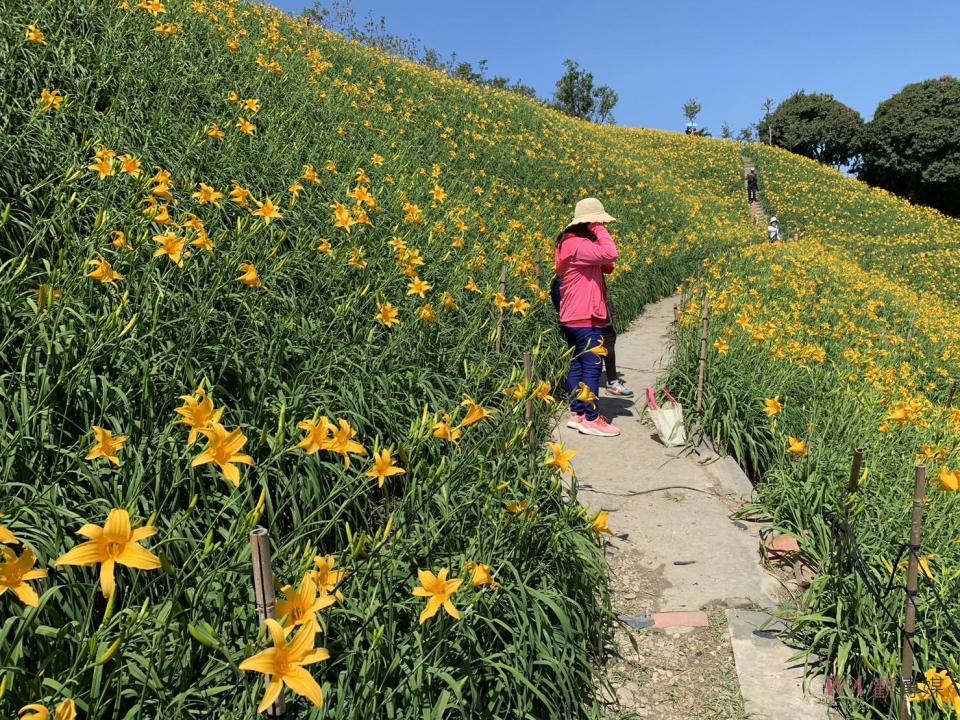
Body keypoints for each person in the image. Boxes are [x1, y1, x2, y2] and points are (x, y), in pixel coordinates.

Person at [554, 197, 622, 437]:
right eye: (598, 222)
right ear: (589, 223)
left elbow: (607, 265)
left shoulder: (571, 243)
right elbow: (611, 253)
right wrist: (599, 229)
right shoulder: (578, 245)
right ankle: (592, 419)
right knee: (593, 367)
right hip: (585, 316)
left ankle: (578, 413)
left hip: (573, 315)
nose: (603, 226)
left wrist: (594, 237)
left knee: (577, 365)